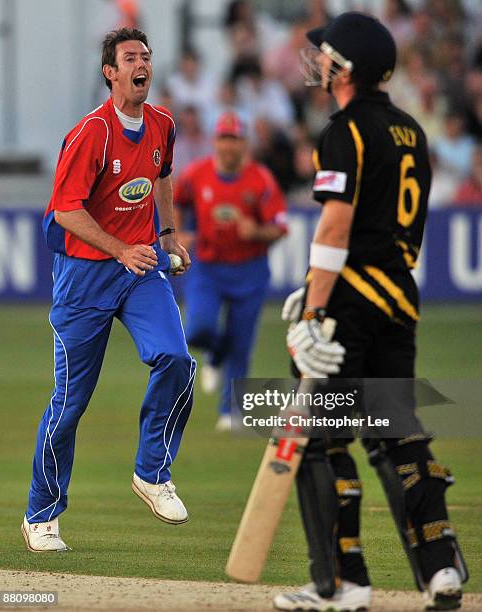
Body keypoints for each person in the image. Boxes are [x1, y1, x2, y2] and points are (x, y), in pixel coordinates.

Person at [275, 12, 467, 611]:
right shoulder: (412, 130)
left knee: (320, 440)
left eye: (326, 53)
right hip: (399, 299)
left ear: (348, 67)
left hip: (350, 304)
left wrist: (315, 310)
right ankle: (441, 568)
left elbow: (335, 225)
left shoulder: (343, 131)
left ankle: (343, 581)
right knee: (397, 433)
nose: (318, 62)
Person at [22, 28, 195, 553]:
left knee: (176, 359)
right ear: (110, 72)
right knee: (70, 404)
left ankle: (151, 472)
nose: (142, 63)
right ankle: (41, 515)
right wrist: (120, 248)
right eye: (130, 58)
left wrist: (168, 235)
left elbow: (162, 175)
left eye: (146, 56)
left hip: (140, 266)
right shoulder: (91, 134)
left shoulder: (162, 124)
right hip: (83, 276)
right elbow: (66, 211)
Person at [174, 112, 287, 431]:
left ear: (244, 143)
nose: (229, 145)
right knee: (196, 329)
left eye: (234, 139)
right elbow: (177, 202)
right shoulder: (196, 175)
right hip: (208, 267)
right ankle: (214, 354)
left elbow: (280, 226)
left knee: (242, 342)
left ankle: (229, 410)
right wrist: (180, 233)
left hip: (249, 270)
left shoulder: (260, 180)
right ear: (215, 141)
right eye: (224, 138)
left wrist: (258, 232)